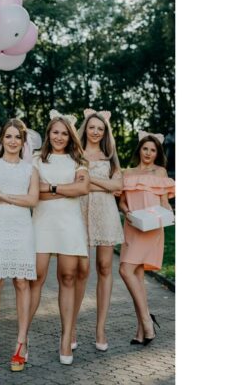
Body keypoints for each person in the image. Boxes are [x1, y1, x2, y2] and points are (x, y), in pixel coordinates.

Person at [28, 110, 90, 365]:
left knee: (68, 277)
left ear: (71, 136)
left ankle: (66, 339)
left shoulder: (79, 162)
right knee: (36, 278)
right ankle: (23, 337)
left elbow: (82, 188)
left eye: (64, 133)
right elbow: (32, 192)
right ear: (48, 134)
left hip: (69, 225)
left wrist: (51, 188)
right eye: (55, 132)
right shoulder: (35, 160)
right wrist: (66, 190)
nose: (60, 137)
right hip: (42, 223)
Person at [0, 119, 39, 373]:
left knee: (22, 282)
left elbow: (33, 199)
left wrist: (5, 197)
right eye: (8, 136)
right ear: (1, 139)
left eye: (17, 137)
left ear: (23, 142)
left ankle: (21, 343)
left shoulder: (30, 169)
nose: (13, 141)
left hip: (22, 228)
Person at [116, 132, 175, 346]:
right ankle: (142, 328)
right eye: (145, 148)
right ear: (139, 150)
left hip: (151, 227)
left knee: (125, 270)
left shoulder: (159, 172)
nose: (148, 153)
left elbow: (164, 202)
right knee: (137, 278)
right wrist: (127, 213)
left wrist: (169, 217)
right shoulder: (128, 173)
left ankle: (146, 321)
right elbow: (122, 201)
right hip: (133, 226)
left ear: (157, 153)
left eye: (153, 150)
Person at [75, 109, 124, 351]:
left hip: (105, 214)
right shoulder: (75, 153)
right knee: (80, 270)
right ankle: (70, 326)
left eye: (100, 129)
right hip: (79, 213)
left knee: (104, 267)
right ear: (86, 128)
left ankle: (100, 328)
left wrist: (90, 182)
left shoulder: (110, 156)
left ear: (105, 132)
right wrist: (104, 186)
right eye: (92, 127)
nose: (95, 132)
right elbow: (74, 185)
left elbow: (118, 185)